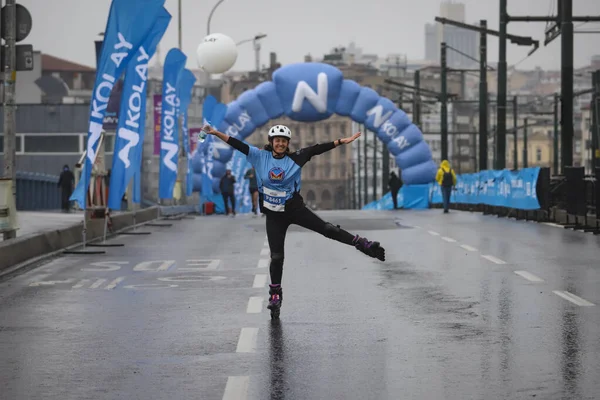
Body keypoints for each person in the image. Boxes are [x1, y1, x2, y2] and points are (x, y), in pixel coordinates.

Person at [201, 123, 386, 318]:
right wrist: (215, 133)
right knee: (277, 258)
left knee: (327, 229)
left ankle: (362, 244)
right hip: (274, 215)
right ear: (271, 142)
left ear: (287, 144)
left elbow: (316, 149)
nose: (280, 144)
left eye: (283, 141)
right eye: (277, 141)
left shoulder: (296, 158)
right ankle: (275, 295)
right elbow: (237, 144)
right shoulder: (259, 156)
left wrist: (341, 141)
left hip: (294, 209)